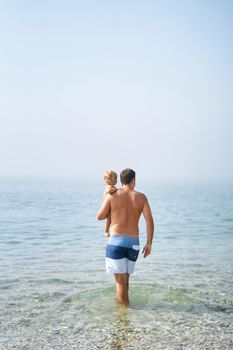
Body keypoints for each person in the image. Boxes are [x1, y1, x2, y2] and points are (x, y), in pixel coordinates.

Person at [97, 168, 154, 306]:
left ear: (121, 181)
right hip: (134, 243)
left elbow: (100, 216)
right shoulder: (141, 197)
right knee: (126, 279)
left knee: (119, 281)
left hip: (116, 241)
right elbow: (149, 221)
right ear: (133, 180)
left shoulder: (112, 195)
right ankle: (125, 306)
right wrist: (149, 243)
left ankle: (123, 317)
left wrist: (109, 202)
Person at [103, 170, 118, 237]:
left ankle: (111, 230)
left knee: (111, 219)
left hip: (110, 205)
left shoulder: (111, 187)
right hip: (108, 206)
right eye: (115, 179)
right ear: (111, 180)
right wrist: (117, 189)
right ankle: (106, 231)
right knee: (109, 219)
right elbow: (109, 191)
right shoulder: (110, 187)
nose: (117, 181)